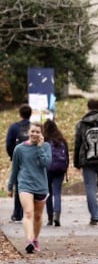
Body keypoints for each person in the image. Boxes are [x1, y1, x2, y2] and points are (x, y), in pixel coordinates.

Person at [7, 122, 52, 253]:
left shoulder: (46, 147)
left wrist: (39, 147)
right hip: (25, 184)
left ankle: (35, 238)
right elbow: (14, 169)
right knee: (28, 213)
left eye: (38, 132)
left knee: (38, 216)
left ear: (41, 134)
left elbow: (46, 164)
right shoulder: (19, 149)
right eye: (33, 131)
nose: (34, 134)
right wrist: (10, 186)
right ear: (28, 132)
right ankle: (29, 241)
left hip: (41, 186)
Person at [5, 103, 32, 222]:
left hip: (19, 160)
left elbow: (9, 144)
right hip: (32, 161)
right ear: (30, 114)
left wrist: (13, 156)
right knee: (32, 186)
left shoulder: (14, 127)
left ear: (20, 114)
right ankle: (30, 212)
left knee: (19, 186)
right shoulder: (34, 127)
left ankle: (17, 214)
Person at [43, 119, 69, 227]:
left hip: (48, 170)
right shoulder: (61, 140)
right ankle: (57, 215)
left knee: (48, 193)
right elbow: (67, 156)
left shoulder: (45, 141)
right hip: (60, 169)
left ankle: (50, 217)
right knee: (57, 192)